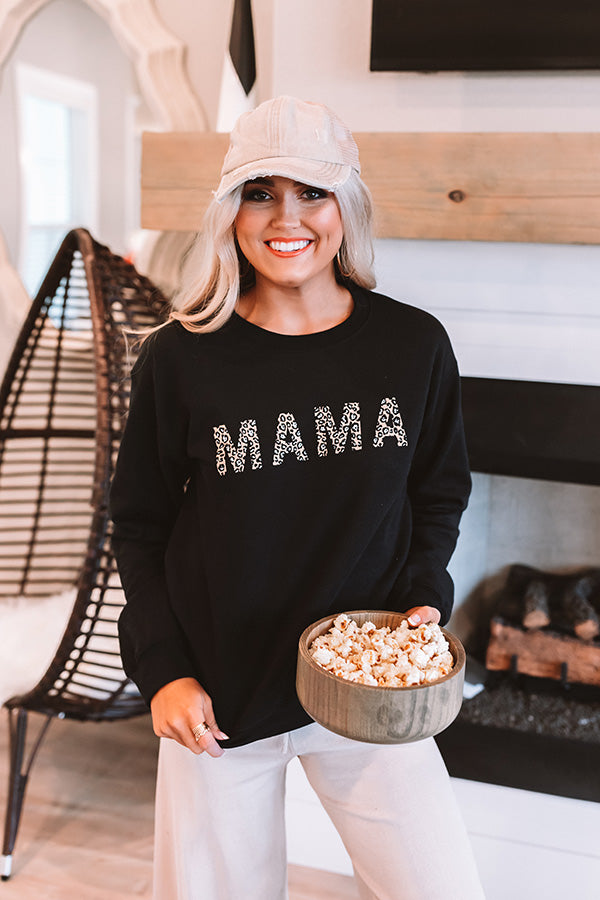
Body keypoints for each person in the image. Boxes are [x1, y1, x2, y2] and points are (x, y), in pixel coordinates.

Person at [109, 95, 485, 900]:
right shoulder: (181, 358)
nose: (288, 218)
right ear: (230, 212)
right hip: (219, 691)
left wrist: (424, 592)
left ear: (347, 205)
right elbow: (139, 524)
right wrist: (165, 669)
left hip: (368, 680)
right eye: (260, 193)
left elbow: (439, 490)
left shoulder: (412, 345)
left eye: (313, 191)